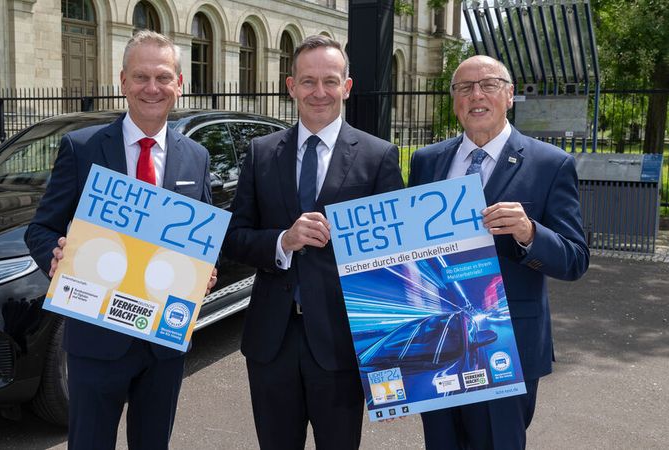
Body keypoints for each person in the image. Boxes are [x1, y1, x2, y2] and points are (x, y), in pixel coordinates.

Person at [25, 31, 214, 450]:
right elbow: (39, 229)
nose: (152, 88)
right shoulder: (82, 148)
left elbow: (202, 236)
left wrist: (206, 270)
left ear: (180, 84)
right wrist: (55, 258)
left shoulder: (195, 157)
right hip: (96, 337)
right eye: (141, 77)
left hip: (164, 342)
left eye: (163, 77)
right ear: (123, 81)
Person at [222, 35, 404, 449]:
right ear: (291, 86)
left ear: (347, 86)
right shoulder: (262, 152)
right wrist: (283, 242)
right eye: (308, 81)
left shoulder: (378, 156)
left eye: (330, 81)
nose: (319, 92)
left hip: (341, 342)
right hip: (272, 341)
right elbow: (233, 238)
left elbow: (395, 258)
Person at [409, 55, 590, 449]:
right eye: (464, 87)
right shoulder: (426, 162)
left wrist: (529, 232)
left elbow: (575, 258)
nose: (476, 95)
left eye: (489, 85)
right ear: (454, 100)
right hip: (438, 347)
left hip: (507, 348)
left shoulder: (549, 164)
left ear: (509, 95)